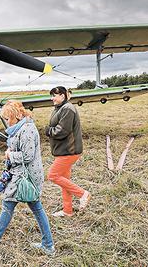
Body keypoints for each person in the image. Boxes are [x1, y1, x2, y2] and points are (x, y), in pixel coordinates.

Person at [0, 101, 55, 256]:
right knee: (35, 208)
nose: (6, 121)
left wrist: (10, 154)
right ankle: (48, 245)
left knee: (8, 204)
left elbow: (27, 156)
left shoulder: (27, 130)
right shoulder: (20, 128)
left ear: (17, 115)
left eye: (8, 117)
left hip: (25, 177)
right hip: (23, 175)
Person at [45, 86, 91, 217]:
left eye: (55, 95)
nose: (52, 98)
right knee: (64, 180)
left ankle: (83, 194)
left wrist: (49, 131)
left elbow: (62, 130)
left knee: (53, 176)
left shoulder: (68, 109)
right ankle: (67, 211)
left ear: (63, 96)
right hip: (64, 150)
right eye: (51, 95)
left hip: (69, 150)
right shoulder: (60, 108)